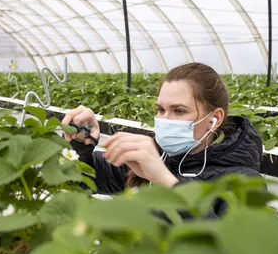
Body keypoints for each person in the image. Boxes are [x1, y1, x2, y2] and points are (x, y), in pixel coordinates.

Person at [61, 62, 263, 217]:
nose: (165, 120)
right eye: (160, 109)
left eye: (179, 111)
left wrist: (165, 180)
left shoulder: (243, 182)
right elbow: (85, 181)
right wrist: (82, 146)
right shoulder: (156, 156)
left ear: (214, 119)